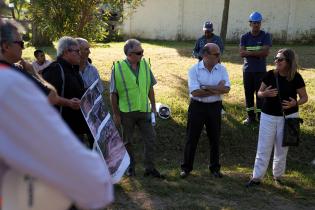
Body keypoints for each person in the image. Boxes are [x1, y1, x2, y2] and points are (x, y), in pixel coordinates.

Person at [0, 67, 113, 210]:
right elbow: (51, 96)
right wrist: (33, 73)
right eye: (20, 43)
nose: (22, 47)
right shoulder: (10, 80)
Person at [246, 48, 308, 187]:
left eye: (280, 59)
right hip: (268, 116)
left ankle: (277, 176)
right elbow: (259, 93)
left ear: (289, 62)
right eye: (276, 59)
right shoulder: (270, 75)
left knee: (282, 148)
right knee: (263, 147)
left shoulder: (295, 77)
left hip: (289, 117)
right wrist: (265, 94)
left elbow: (304, 97)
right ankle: (256, 178)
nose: (276, 61)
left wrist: (295, 103)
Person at [110, 39, 164, 178]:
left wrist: (153, 106)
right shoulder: (118, 68)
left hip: (144, 111)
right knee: (127, 142)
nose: (142, 55)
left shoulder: (145, 65)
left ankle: (150, 169)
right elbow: (113, 93)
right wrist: (116, 114)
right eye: (139, 52)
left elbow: (150, 87)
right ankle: (130, 168)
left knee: (151, 139)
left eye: (142, 52)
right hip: (126, 112)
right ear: (129, 54)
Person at [180, 43, 230, 178]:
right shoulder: (194, 70)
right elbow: (195, 92)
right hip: (197, 107)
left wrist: (206, 87)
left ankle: (215, 168)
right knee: (192, 137)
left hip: (215, 107)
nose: (219, 57)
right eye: (217, 54)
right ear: (206, 55)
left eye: (219, 54)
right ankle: (186, 168)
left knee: (215, 138)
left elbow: (226, 89)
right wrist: (216, 89)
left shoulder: (222, 69)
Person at [42, 36, 93, 148]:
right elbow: (44, 98)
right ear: (66, 52)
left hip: (77, 129)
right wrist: (68, 103)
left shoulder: (73, 69)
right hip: (62, 131)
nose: (80, 54)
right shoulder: (54, 70)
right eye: (77, 51)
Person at [240, 11, 272, 125]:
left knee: (260, 94)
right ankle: (250, 117)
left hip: (260, 71)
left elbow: (265, 53)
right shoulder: (244, 37)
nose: (256, 25)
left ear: (260, 23)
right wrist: (257, 53)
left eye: (258, 23)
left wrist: (249, 52)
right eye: (254, 23)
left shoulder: (266, 36)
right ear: (250, 23)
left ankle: (261, 117)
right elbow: (241, 53)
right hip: (247, 70)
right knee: (248, 94)